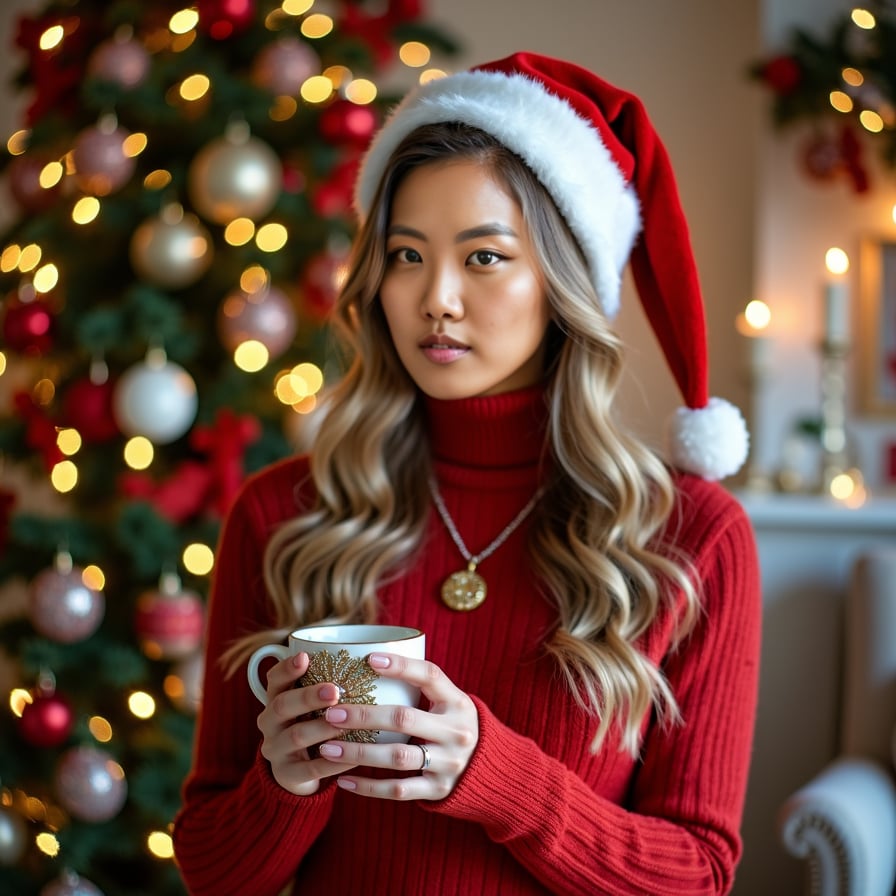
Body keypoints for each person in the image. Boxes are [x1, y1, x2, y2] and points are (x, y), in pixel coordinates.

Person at [173, 51, 761, 896]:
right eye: (407, 256)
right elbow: (211, 870)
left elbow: (699, 875)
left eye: (483, 257)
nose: (435, 297)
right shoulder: (284, 515)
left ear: (563, 284)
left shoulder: (693, 537)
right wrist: (287, 781)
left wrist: (498, 779)